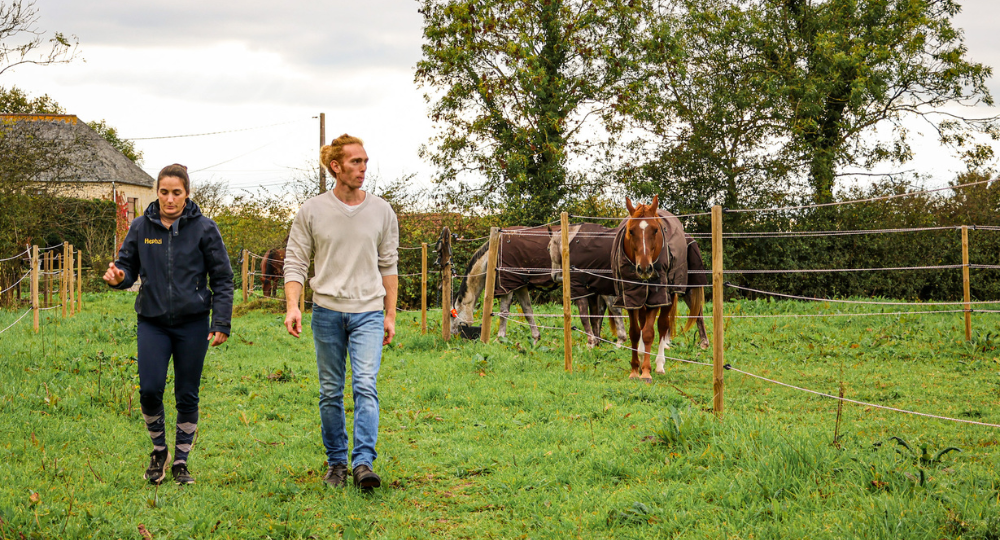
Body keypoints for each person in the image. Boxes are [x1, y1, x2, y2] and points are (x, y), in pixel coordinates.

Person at [103, 164, 234, 486]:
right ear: (157, 192)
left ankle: (181, 462)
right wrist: (119, 278)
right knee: (150, 389)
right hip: (153, 322)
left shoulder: (205, 228)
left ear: (187, 194)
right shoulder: (140, 227)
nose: (170, 199)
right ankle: (159, 451)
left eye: (177, 193)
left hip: (193, 324)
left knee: (187, 394)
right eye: (164, 192)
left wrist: (221, 321)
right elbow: (126, 269)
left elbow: (223, 279)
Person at [283, 134, 399, 490]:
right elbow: (295, 261)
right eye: (355, 162)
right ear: (336, 166)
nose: (363, 168)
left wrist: (390, 315)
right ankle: (336, 463)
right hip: (327, 312)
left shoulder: (382, 211)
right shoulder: (312, 210)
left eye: (365, 161)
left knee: (365, 385)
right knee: (331, 391)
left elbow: (389, 265)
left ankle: (363, 463)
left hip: (368, 312)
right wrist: (293, 306)